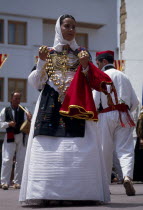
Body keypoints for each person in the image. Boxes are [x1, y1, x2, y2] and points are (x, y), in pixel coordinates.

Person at [19, 14, 115, 205]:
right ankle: (46, 194)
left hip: (76, 106)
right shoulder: (48, 53)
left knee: (78, 147)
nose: (71, 30)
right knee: (47, 145)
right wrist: (41, 61)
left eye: (73, 27)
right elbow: (36, 83)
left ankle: (79, 194)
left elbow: (93, 83)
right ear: (58, 28)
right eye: (67, 26)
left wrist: (86, 65)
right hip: (50, 105)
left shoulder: (81, 54)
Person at [93, 50, 139, 196]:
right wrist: (126, 109)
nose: (97, 65)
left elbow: (95, 101)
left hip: (106, 115)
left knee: (104, 149)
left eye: (98, 62)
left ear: (104, 62)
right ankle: (127, 176)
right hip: (124, 114)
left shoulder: (100, 76)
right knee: (125, 149)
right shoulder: (124, 76)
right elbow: (135, 101)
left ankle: (105, 185)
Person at [0, 92, 32, 190]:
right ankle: (4, 182)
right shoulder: (5, 110)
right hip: (10, 135)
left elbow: (28, 124)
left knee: (20, 160)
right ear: (11, 99)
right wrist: (8, 124)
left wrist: (30, 119)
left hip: (21, 136)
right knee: (7, 159)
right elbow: (0, 123)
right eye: (15, 98)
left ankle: (17, 182)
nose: (17, 100)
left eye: (18, 99)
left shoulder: (25, 110)